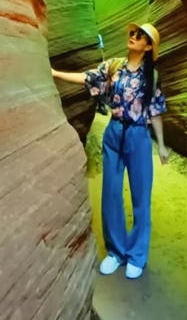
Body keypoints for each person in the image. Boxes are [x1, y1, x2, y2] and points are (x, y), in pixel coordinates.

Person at [51, 22, 168, 280]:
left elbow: (156, 112)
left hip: (138, 136)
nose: (133, 36)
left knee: (140, 198)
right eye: (133, 33)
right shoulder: (114, 66)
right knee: (111, 194)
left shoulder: (151, 76)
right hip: (114, 133)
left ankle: (137, 255)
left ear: (148, 46)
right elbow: (87, 77)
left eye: (140, 36)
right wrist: (55, 73)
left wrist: (160, 145)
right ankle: (116, 252)